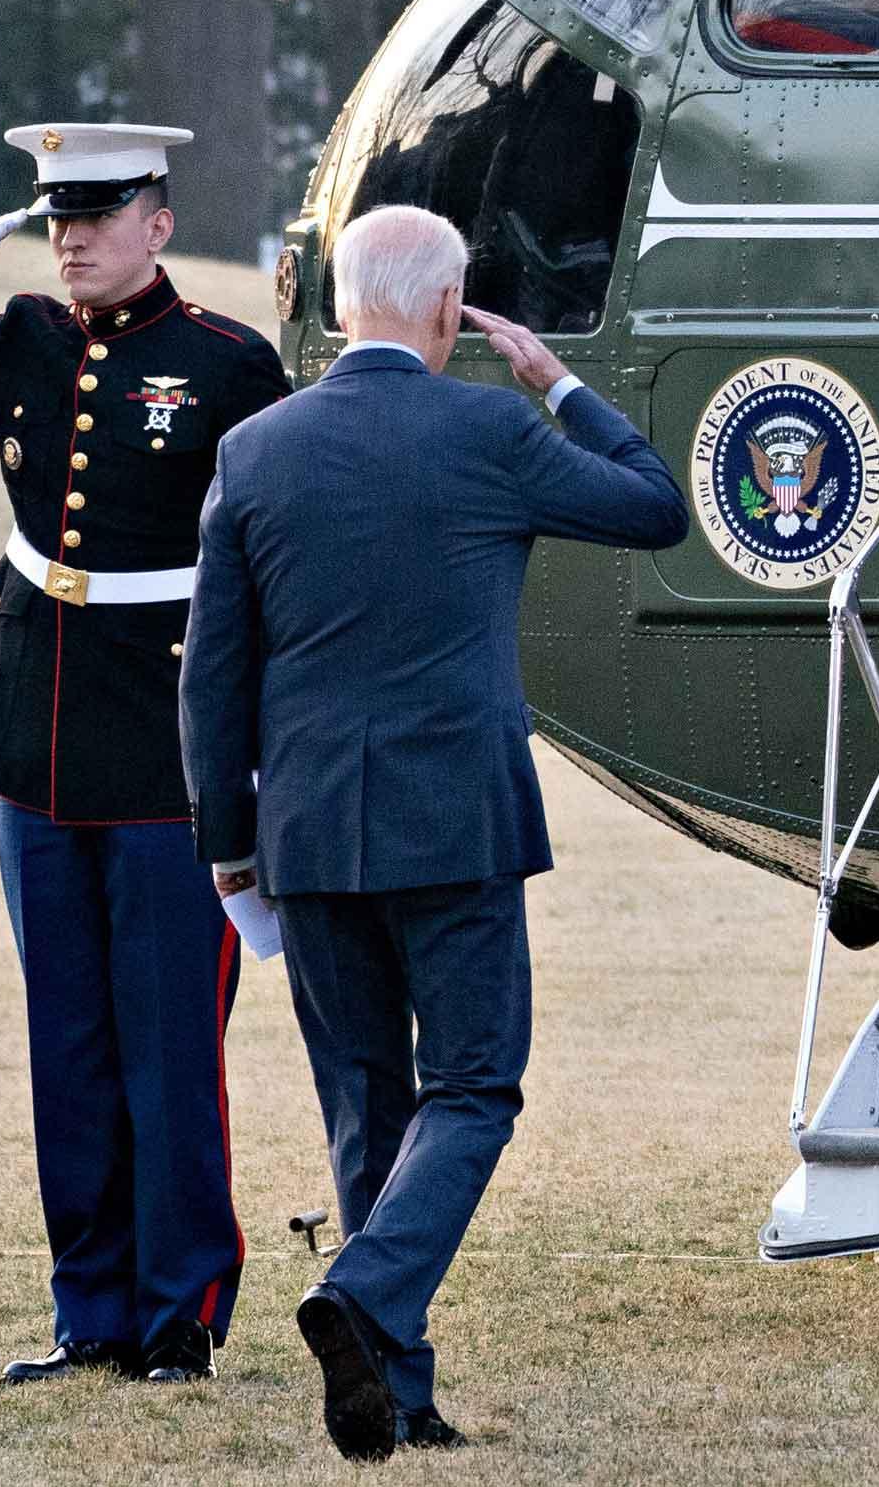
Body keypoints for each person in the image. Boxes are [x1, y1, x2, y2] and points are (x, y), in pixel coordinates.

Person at [181, 204, 691, 1461]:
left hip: (305, 830)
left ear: (342, 300)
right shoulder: (489, 427)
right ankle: (361, 1301)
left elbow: (213, 677)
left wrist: (227, 843)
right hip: (453, 822)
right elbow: (655, 507)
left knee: (367, 1102)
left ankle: (394, 1393)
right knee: (470, 1087)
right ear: (451, 308)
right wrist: (558, 380)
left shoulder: (256, 450)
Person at [0, 121, 288, 1388]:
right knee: (67, 1038)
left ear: (159, 223)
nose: (71, 237)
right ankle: (90, 1313)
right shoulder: (21, 337)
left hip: (171, 742)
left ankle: (177, 1311)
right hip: (37, 730)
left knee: (172, 1041)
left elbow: (284, 537)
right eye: (54, 216)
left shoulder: (230, 364)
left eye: (98, 214)